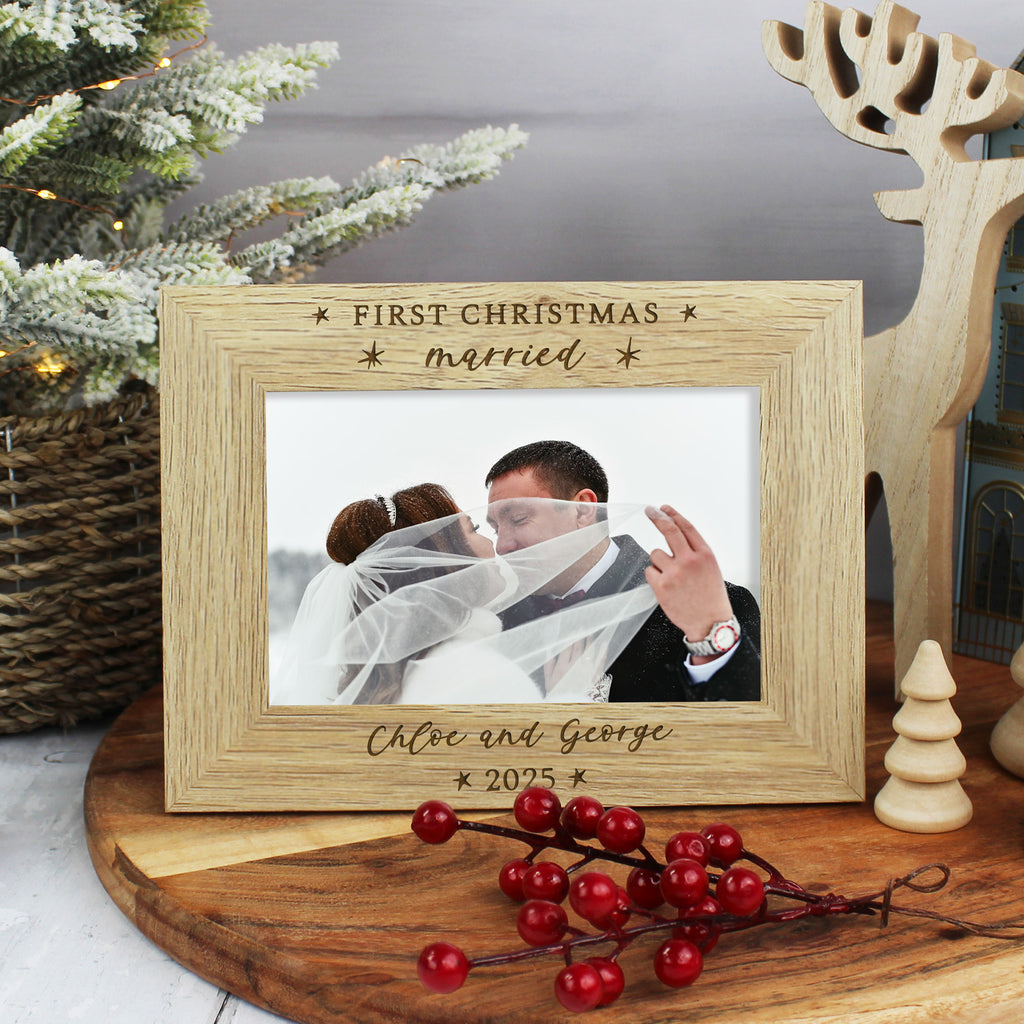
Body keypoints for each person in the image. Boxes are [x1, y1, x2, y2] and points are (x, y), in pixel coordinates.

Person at [269, 482, 656, 705]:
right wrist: (570, 703)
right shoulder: (466, 673)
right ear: (441, 560)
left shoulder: (389, 675)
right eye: (476, 530)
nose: (498, 547)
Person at [485, 440, 761, 702]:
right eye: (495, 528)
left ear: (582, 510)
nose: (502, 545)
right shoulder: (497, 624)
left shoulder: (709, 605)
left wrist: (708, 637)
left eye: (518, 519)